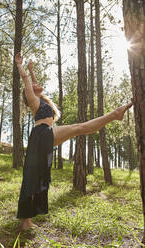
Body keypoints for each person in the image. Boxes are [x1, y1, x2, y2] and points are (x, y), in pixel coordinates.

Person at [15, 52, 133, 231]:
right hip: (41, 135)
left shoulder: (41, 100)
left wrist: (32, 70)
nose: (36, 83)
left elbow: (33, 81)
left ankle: (27, 219)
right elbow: (25, 80)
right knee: (79, 128)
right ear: (29, 91)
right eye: (33, 84)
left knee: (39, 173)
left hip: (43, 135)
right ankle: (115, 114)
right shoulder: (32, 99)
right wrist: (19, 65)